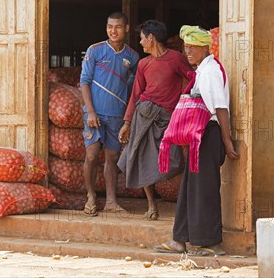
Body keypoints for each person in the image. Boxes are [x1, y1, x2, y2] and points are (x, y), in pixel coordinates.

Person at [154, 25, 239, 256]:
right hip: (198, 136)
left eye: (192, 48)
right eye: (186, 47)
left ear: (204, 48)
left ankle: (210, 243)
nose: (188, 52)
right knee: (190, 188)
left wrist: (227, 140)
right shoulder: (203, 69)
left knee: (205, 190)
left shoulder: (211, 71)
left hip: (209, 134)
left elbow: (220, 108)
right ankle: (180, 239)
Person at [117, 20, 192, 220]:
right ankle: (151, 205)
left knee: (174, 162)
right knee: (141, 159)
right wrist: (126, 123)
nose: (140, 42)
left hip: (168, 119)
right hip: (143, 116)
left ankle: (186, 205)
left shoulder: (176, 59)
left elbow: (192, 79)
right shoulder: (143, 64)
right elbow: (136, 94)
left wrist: (185, 105)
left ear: (151, 38)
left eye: (142, 38)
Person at [80, 12, 139, 216]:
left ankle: (111, 202)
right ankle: (91, 197)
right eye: (109, 27)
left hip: (117, 115)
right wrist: (90, 112)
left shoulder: (132, 57)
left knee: (112, 157)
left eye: (118, 27)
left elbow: (135, 86)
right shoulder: (95, 51)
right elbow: (84, 82)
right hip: (94, 114)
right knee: (92, 154)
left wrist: (127, 117)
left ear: (127, 29)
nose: (113, 31)